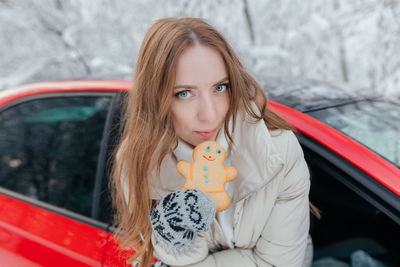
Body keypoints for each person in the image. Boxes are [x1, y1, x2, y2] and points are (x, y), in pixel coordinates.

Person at [111, 17, 316, 267]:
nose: (210, 114)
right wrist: (184, 212)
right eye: (184, 94)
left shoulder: (279, 151)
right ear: (156, 99)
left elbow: (280, 264)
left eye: (220, 88)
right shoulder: (138, 161)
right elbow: (177, 259)